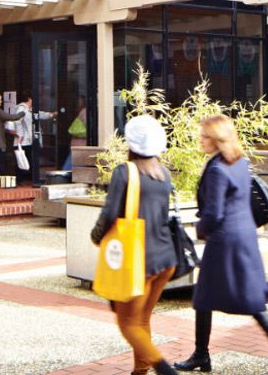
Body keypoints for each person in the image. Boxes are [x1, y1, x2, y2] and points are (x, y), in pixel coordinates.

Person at [174, 115, 268, 374]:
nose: (200, 139)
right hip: (244, 237)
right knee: (242, 298)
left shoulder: (218, 169)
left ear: (217, 139)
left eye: (205, 136)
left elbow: (214, 213)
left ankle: (203, 355)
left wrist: (199, 229)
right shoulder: (239, 162)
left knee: (208, 297)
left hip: (224, 241)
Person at [91, 116, 180, 375]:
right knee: (141, 320)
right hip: (165, 259)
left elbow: (109, 214)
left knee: (127, 323)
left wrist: (96, 237)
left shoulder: (125, 172)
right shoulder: (163, 173)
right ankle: (140, 371)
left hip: (139, 259)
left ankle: (165, 370)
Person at [12, 93, 55, 186]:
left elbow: (40, 114)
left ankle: (29, 178)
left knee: (29, 159)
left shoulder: (31, 110)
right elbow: (18, 121)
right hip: (23, 140)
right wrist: (20, 135)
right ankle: (20, 180)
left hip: (29, 139)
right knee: (22, 159)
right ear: (29, 99)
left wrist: (52, 114)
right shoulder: (21, 108)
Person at [0, 93, 24, 180]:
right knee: (0, 164)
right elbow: (12, 117)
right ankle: (4, 182)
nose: (1, 102)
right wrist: (23, 112)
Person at [62, 97, 89, 171]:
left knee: (70, 166)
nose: (77, 104)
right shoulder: (83, 112)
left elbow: (88, 126)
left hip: (80, 144)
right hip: (79, 144)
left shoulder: (84, 111)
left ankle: (63, 178)